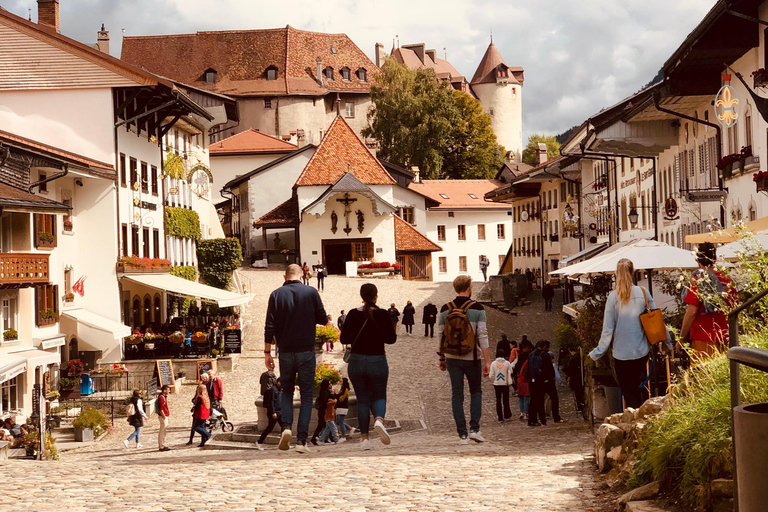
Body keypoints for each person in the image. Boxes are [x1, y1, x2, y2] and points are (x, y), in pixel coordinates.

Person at [264, 263, 328, 453]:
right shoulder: (311, 292)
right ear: (302, 276)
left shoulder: (276, 295)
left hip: (285, 352)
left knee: (286, 392)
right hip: (307, 351)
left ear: (285, 277)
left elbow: (269, 326)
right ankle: (301, 441)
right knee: (307, 395)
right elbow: (323, 318)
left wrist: (267, 353)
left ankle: (285, 428)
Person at [589, 258, 669, 409]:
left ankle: (634, 419)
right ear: (633, 272)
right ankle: (641, 416)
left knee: (628, 389)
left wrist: (597, 353)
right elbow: (658, 320)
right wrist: (668, 342)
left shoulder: (613, 297)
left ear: (616, 274)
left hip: (621, 352)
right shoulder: (643, 293)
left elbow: (607, 330)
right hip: (641, 350)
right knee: (638, 386)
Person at [341, 283, 397, 450]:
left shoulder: (352, 314)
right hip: (377, 360)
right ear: (376, 296)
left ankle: (364, 438)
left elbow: (344, 339)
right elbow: (391, 339)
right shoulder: (382, 314)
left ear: (361, 296)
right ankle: (379, 420)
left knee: (362, 399)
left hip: (357, 361)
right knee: (379, 394)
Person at [437, 275, 491, 444]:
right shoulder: (478, 308)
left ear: (455, 288)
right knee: (475, 392)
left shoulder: (445, 309)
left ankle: (462, 434)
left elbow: (440, 335)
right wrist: (487, 360)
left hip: (452, 357)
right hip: (472, 358)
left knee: (457, 395)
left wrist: (441, 358)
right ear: (469, 288)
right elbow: (482, 335)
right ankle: (474, 429)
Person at [679, 242, 739, 358]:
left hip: (702, 337)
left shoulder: (697, 280)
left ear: (697, 260)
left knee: (703, 374)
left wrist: (681, 338)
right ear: (715, 258)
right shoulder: (727, 280)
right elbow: (735, 308)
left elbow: (691, 312)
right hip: (726, 337)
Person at [527, 340, 562, 426]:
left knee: (536, 400)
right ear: (544, 347)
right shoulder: (545, 355)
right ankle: (556, 417)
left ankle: (537, 420)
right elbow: (549, 369)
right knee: (554, 398)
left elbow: (528, 369)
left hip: (534, 381)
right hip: (546, 381)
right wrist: (551, 380)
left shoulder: (531, 355)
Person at [257, 378, 283, 450]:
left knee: (284, 427)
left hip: (279, 411)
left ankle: (284, 443)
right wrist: (273, 412)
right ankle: (259, 442)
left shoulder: (280, 390)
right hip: (274, 412)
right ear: (278, 382)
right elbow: (271, 401)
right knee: (269, 428)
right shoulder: (273, 390)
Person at [489, 348, 513, 422]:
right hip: (505, 383)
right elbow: (511, 371)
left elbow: (491, 375)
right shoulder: (507, 363)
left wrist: (494, 380)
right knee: (506, 400)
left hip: (497, 384)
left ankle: (500, 417)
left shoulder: (493, 364)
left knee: (498, 400)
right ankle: (507, 414)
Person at [310, 379, 335, 446]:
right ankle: (315, 438)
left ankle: (327, 438)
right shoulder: (325, 393)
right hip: (324, 411)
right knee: (322, 425)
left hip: (323, 411)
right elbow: (325, 402)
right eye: (329, 384)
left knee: (325, 425)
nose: (330, 385)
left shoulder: (325, 392)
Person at [515, 339, 534, 420]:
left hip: (519, 379)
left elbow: (515, 369)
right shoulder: (528, 359)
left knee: (521, 397)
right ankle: (526, 412)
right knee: (526, 397)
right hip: (526, 380)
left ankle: (522, 412)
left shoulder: (520, 359)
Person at [566, 347, 585, 412]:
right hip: (580, 378)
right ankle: (582, 404)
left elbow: (569, 370)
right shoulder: (580, 358)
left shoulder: (572, 360)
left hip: (575, 379)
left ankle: (579, 406)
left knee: (577, 393)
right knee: (581, 392)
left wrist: (569, 379)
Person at [156, 385, 171, 452]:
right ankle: (161, 445)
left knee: (164, 431)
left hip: (165, 415)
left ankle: (163, 444)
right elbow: (161, 408)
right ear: (164, 390)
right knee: (162, 431)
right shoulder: (161, 398)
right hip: (163, 416)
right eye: (168, 390)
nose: (169, 391)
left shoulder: (163, 397)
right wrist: (164, 416)